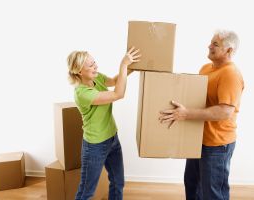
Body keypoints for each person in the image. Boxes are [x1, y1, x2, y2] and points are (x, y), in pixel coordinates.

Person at [159, 30, 244, 200]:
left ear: (229, 50)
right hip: (198, 139)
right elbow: (196, 98)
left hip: (217, 144)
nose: (209, 46)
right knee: (192, 184)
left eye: (215, 44)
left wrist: (186, 114)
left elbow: (224, 112)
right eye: (211, 42)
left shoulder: (231, 74)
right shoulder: (206, 68)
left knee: (212, 192)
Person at [67, 47, 141, 200]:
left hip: (112, 138)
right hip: (95, 146)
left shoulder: (97, 78)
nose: (96, 67)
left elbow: (115, 81)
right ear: (79, 71)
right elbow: (118, 94)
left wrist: (133, 67)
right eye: (91, 65)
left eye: (95, 62)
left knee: (118, 182)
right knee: (86, 192)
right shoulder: (82, 93)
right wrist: (123, 64)